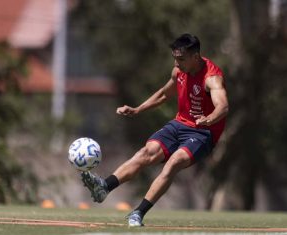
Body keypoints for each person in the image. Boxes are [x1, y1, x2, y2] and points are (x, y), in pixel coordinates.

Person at [81, 33, 229, 227]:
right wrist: (137, 109)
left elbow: (223, 106)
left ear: (195, 56)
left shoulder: (212, 78)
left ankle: (138, 213)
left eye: (181, 59)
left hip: (203, 133)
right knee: (146, 153)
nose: (176, 64)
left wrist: (208, 119)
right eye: (174, 59)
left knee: (174, 162)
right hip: (179, 124)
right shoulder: (179, 71)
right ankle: (104, 187)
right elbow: (163, 95)